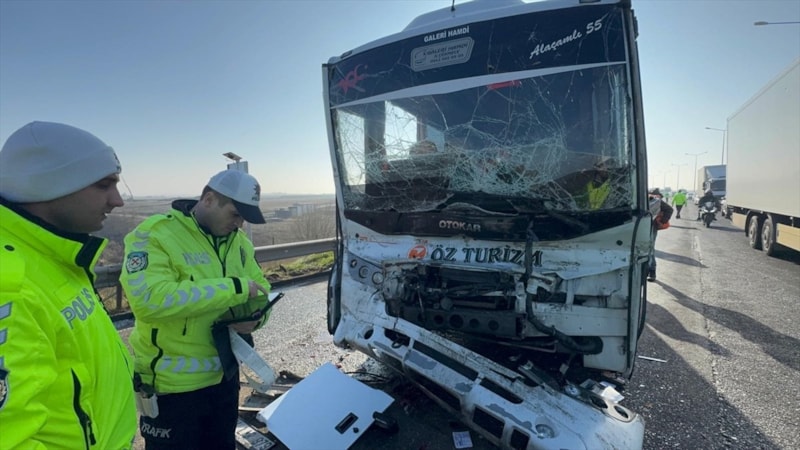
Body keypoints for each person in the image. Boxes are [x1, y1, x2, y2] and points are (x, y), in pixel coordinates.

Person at [0, 121, 137, 448]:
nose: (117, 200)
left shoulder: (55, 255)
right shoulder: (10, 284)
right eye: (104, 185)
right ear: (46, 185)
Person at [120, 169, 272, 449]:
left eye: (243, 218)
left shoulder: (238, 243)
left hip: (224, 376)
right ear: (209, 199)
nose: (239, 224)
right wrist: (235, 288)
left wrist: (257, 318)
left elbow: (260, 287)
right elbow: (149, 300)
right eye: (235, 214)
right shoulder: (155, 234)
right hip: (173, 388)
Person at [647, 188, 673, 282]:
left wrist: (662, 221)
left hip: (651, 227)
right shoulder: (639, 198)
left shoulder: (656, 201)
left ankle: (652, 271)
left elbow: (669, 209)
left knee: (649, 249)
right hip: (638, 226)